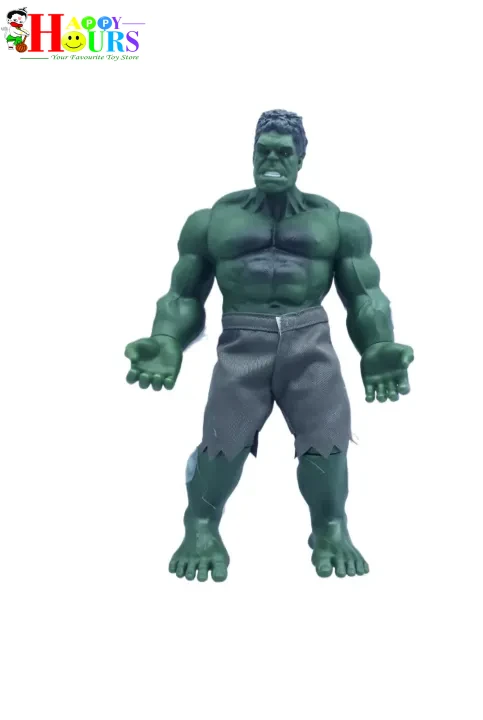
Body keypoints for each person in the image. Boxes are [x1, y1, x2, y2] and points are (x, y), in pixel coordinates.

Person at [125, 109, 414, 582]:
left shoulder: (338, 223)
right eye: (264, 151)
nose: (272, 160)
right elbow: (183, 295)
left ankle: (330, 529)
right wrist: (166, 338)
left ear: (301, 158)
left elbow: (365, 296)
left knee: (327, 443)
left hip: (309, 341)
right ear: (251, 153)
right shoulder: (212, 221)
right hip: (244, 340)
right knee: (223, 443)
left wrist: (378, 346)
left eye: (283, 152)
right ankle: (201, 526)